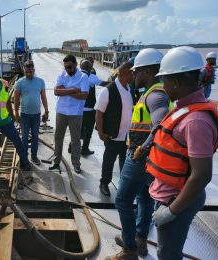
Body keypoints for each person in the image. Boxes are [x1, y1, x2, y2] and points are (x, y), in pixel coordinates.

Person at [147, 46, 218, 259]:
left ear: (176, 83)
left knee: (168, 253)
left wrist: (172, 211)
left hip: (177, 199)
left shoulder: (196, 121)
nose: (163, 86)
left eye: (165, 81)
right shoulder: (183, 108)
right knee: (165, 249)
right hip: (169, 193)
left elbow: (202, 174)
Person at [107, 48, 171, 259]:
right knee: (144, 197)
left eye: (137, 71)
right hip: (149, 159)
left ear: (149, 71)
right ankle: (139, 239)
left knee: (123, 201)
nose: (133, 75)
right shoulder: (155, 92)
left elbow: (159, 124)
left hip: (140, 157)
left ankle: (129, 249)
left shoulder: (156, 95)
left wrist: (142, 148)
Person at [95, 62, 134, 196]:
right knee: (109, 160)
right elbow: (99, 112)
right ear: (124, 74)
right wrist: (100, 132)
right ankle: (104, 182)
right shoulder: (108, 90)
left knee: (125, 162)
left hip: (127, 136)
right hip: (113, 134)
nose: (134, 75)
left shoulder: (130, 89)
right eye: (132, 73)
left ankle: (123, 186)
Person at [49, 54, 89, 174]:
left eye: (70, 67)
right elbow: (56, 91)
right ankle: (56, 162)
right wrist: (73, 89)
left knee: (75, 139)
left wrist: (65, 90)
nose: (67, 69)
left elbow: (83, 95)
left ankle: (76, 164)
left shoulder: (83, 77)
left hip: (75, 113)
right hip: (61, 111)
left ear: (76, 65)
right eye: (65, 67)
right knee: (58, 137)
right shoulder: (61, 74)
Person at [14, 60, 49, 165]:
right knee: (24, 137)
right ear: (24, 71)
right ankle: (24, 158)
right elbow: (16, 100)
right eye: (27, 72)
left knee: (35, 136)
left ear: (34, 70)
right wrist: (16, 113)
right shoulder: (19, 82)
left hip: (36, 115)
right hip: (24, 115)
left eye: (31, 72)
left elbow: (43, 97)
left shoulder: (40, 81)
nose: (29, 74)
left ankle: (34, 157)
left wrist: (46, 111)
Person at [80, 57, 110, 155]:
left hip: (77, 108)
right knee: (88, 129)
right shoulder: (90, 76)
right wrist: (116, 82)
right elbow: (104, 83)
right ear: (90, 68)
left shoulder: (76, 75)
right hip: (88, 109)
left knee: (77, 129)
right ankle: (84, 148)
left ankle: (72, 147)